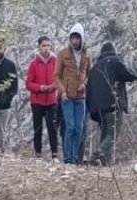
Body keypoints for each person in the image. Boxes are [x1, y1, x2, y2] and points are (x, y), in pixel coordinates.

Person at [87, 42, 137, 166]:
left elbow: (89, 90)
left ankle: (104, 161)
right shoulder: (114, 61)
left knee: (105, 133)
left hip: (98, 109)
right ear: (113, 50)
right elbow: (128, 75)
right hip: (113, 104)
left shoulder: (94, 68)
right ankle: (96, 156)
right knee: (113, 133)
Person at [55, 24, 91, 164]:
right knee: (69, 127)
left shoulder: (87, 54)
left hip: (81, 97)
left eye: (77, 38)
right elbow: (56, 76)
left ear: (81, 39)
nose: (74, 41)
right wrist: (62, 91)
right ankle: (68, 159)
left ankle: (75, 158)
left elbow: (89, 73)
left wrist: (85, 83)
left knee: (79, 128)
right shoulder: (62, 54)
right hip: (67, 97)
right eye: (72, 38)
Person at [25, 36, 58, 159]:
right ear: (39, 47)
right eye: (44, 45)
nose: (46, 48)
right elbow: (28, 83)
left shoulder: (55, 62)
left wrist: (53, 87)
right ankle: (38, 154)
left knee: (52, 128)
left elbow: (59, 79)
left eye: (48, 45)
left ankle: (54, 154)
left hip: (51, 100)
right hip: (37, 101)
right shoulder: (33, 64)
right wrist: (40, 88)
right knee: (37, 128)